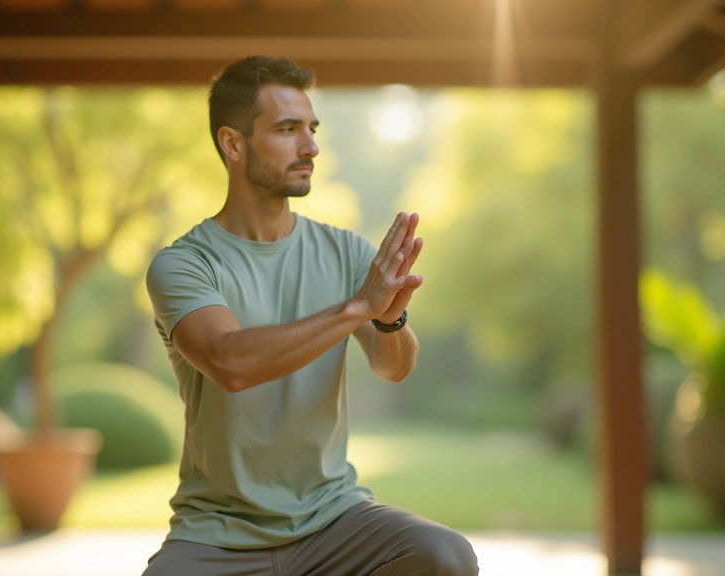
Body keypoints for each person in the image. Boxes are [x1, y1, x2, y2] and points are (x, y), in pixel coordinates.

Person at [143, 55, 478, 576]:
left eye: (312, 129)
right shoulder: (183, 264)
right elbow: (230, 363)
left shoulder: (344, 252)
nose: (311, 147)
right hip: (216, 535)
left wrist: (388, 319)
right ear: (233, 143)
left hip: (333, 521)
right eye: (287, 129)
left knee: (444, 556)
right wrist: (357, 308)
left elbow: (394, 367)